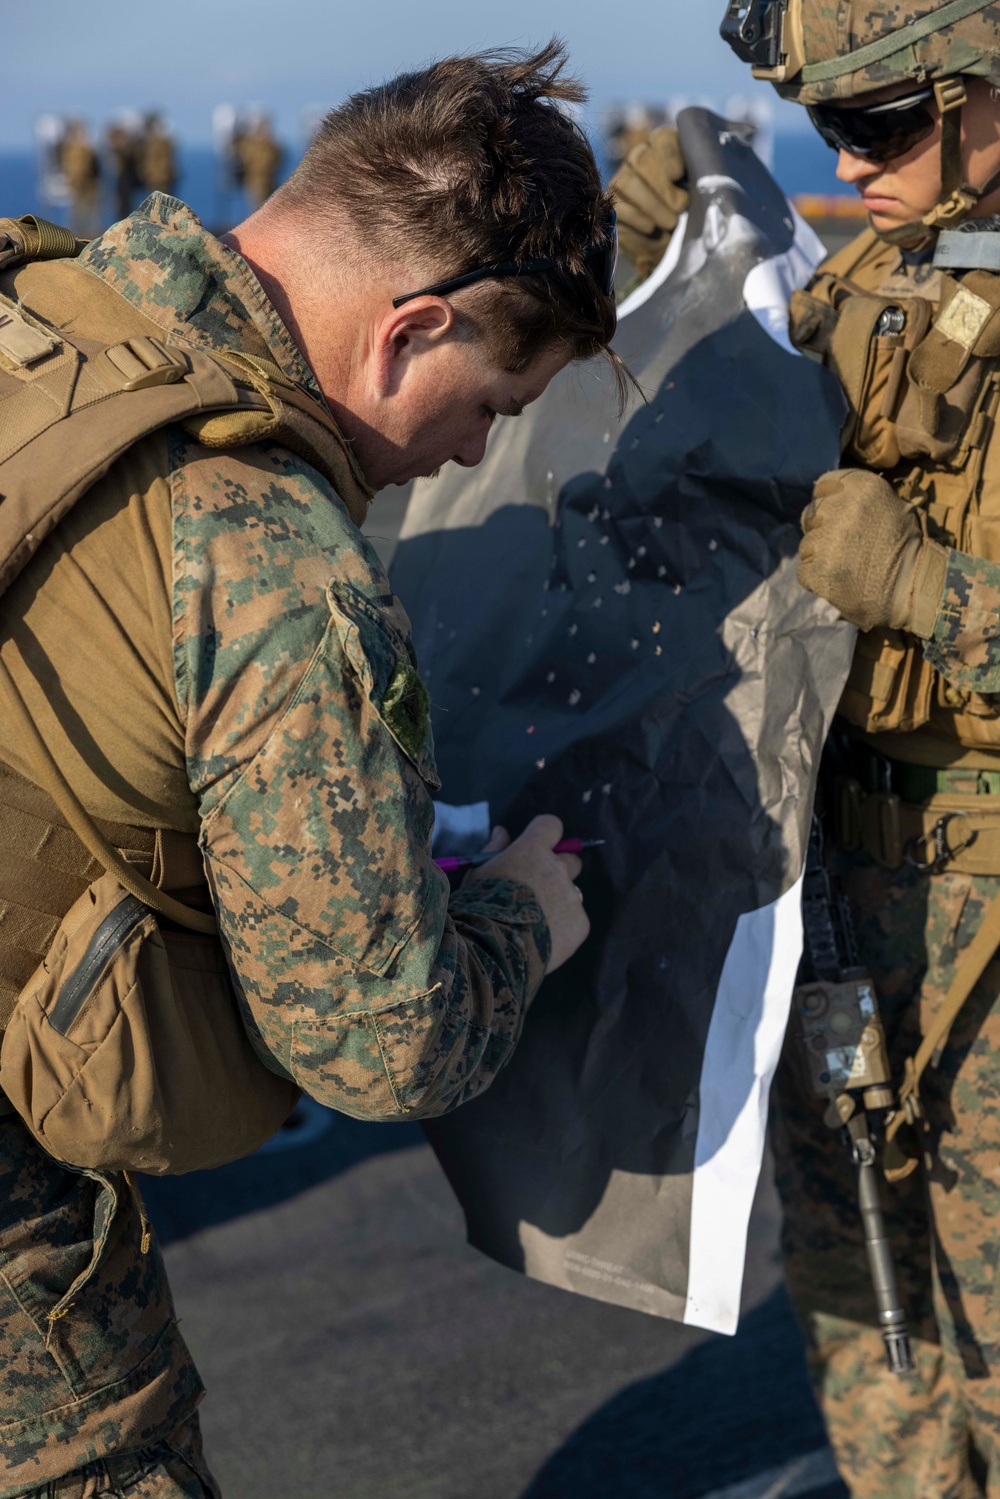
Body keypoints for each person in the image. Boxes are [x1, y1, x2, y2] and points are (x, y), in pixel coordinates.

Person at [0, 42, 616, 1497]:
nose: (461, 458)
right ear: (405, 334)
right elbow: (376, 1040)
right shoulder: (268, 555)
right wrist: (524, 915)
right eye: (491, 406)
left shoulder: (38, 310)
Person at [612, 2, 1000, 1493]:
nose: (852, 155)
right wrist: (658, 277)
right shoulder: (886, 276)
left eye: (885, 124)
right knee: (863, 1312)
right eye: (827, 124)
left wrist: (926, 593)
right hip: (843, 894)